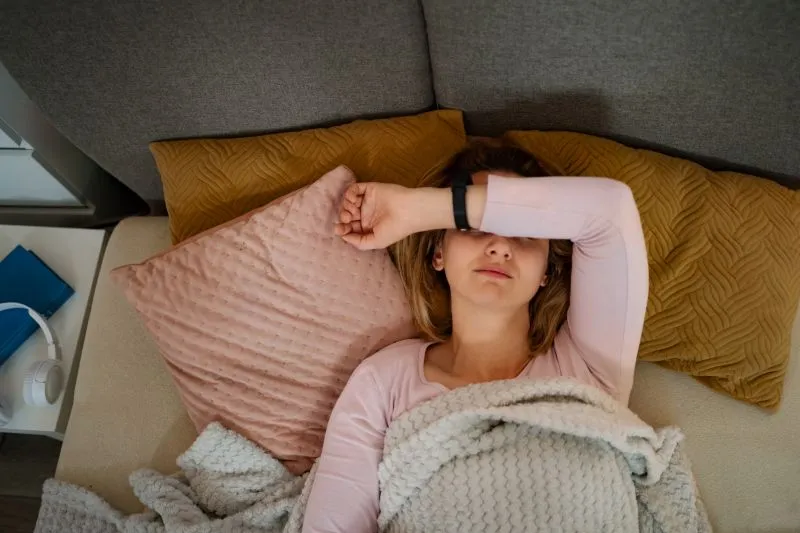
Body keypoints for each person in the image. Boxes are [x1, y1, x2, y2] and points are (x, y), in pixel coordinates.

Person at [301, 140, 649, 533]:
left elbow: (612, 212)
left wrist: (418, 209)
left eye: (525, 234)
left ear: (546, 273)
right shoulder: (384, 380)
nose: (500, 245)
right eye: (475, 229)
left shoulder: (586, 366)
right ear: (438, 252)